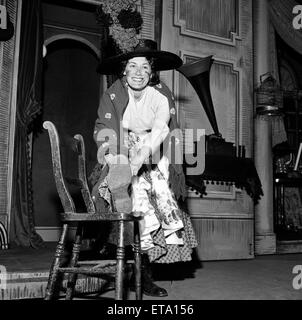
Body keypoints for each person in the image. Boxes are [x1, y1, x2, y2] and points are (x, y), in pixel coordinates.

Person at [90, 39, 198, 297]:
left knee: (156, 211)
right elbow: (102, 127)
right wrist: (120, 155)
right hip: (120, 156)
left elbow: (166, 129)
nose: (138, 72)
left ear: (152, 70)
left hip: (153, 157)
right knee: (128, 203)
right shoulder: (113, 93)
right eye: (132, 65)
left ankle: (144, 275)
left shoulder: (161, 92)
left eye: (145, 66)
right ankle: (123, 266)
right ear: (124, 70)